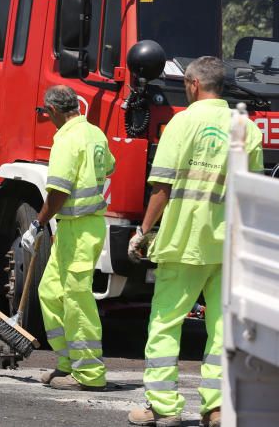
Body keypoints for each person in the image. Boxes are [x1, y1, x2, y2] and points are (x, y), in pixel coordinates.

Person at [127, 57, 263, 427]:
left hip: (183, 240)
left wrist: (142, 232)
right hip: (228, 244)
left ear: (192, 85)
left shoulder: (182, 123)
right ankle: (217, 408)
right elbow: (251, 193)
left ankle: (163, 407)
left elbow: (162, 187)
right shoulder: (246, 129)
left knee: (165, 322)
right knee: (221, 327)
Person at [21, 84, 113, 392]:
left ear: (54, 111)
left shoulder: (66, 139)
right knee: (49, 291)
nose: (48, 119)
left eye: (47, 114)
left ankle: (89, 374)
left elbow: (58, 190)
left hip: (81, 228)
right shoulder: (94, 133)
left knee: (76, 298)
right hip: (80, 228)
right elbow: (110, 166)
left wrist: (37, 223)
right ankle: (67, 364)